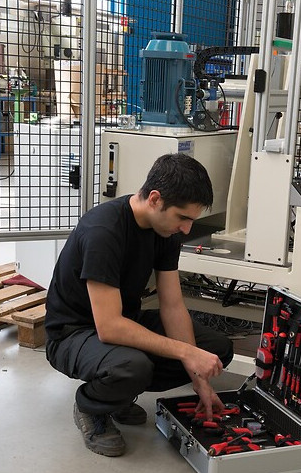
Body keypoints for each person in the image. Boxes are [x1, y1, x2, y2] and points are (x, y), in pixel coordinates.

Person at [45, 153, 234, 457]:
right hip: (74, 334)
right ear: (155, 199)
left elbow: (172, 305)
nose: (187, 229)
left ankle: (118, 394)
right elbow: (109, 327)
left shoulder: (165, 231)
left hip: (123, 321)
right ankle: (92, 406)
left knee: (215, 350)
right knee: (133, 366)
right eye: (183, 218)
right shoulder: (104, 231)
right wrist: (186, 353)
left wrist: (199, 379)